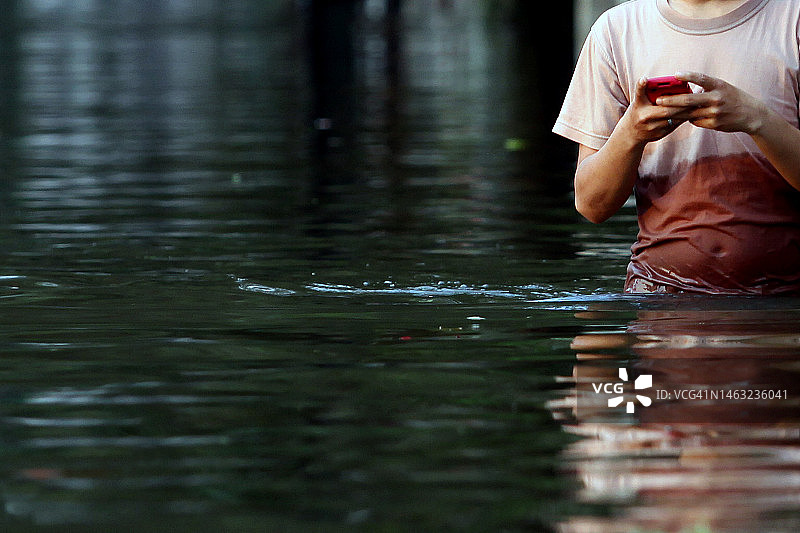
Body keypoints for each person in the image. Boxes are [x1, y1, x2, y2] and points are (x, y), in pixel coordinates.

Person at [553, 0, 800, 294]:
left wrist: (757, 119)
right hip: (658, 293)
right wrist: (631, 133)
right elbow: (592, 205)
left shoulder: (793, 19)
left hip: (783, 295)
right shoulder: (616, 31)